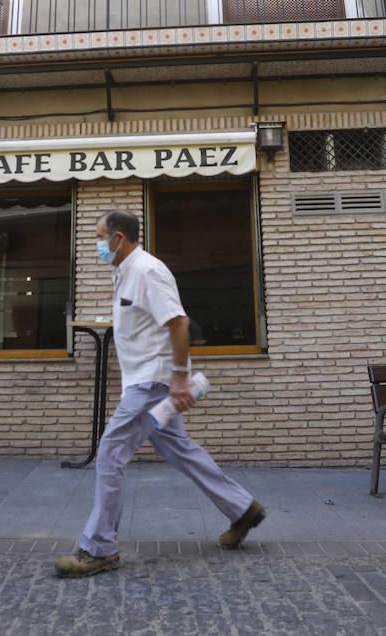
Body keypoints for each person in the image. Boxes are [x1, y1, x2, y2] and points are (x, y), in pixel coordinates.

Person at [55, 209, 265, 577]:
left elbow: (178, 321)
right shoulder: (125, 272)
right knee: (178, 447)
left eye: (100, 237)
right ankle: (242, 509)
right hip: (149, 382)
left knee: (110, 452)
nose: (97, 245)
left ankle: (98, 547)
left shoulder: (147, 270)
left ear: (119, 238)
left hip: (153, 385)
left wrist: (181, 379)